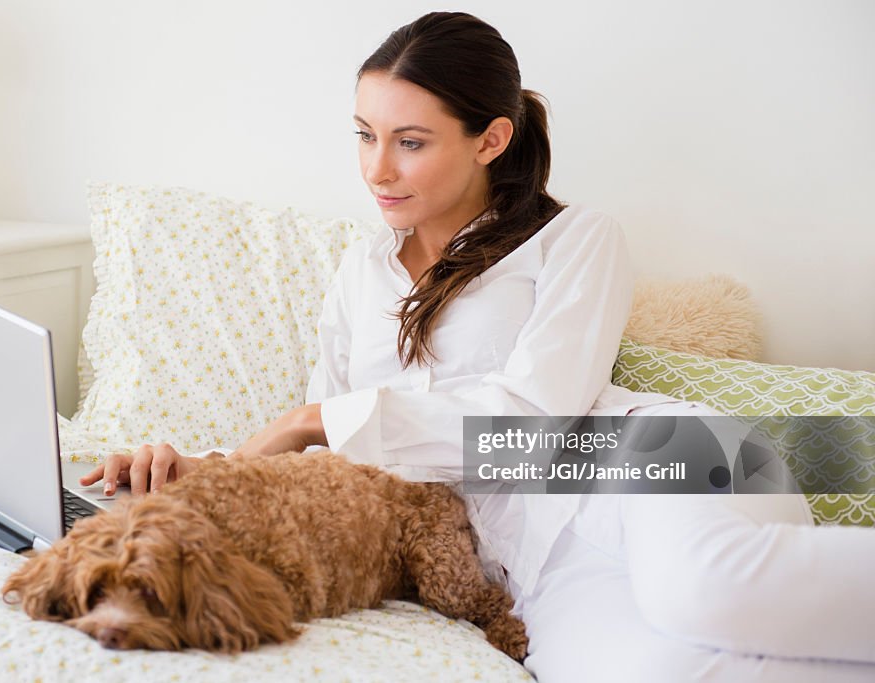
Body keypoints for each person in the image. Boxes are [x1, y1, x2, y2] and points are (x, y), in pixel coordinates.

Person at [81, 12, 875, 681]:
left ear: (491, 138)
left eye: (411, 142)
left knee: (703, 591)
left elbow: (533, 423)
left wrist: (317, 417)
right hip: (532, 568)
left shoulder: (575, 238)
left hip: (655, 458)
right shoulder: (361, 271)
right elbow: (325, 470)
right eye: (365, 135)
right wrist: (195, 471)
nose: (376, 168)